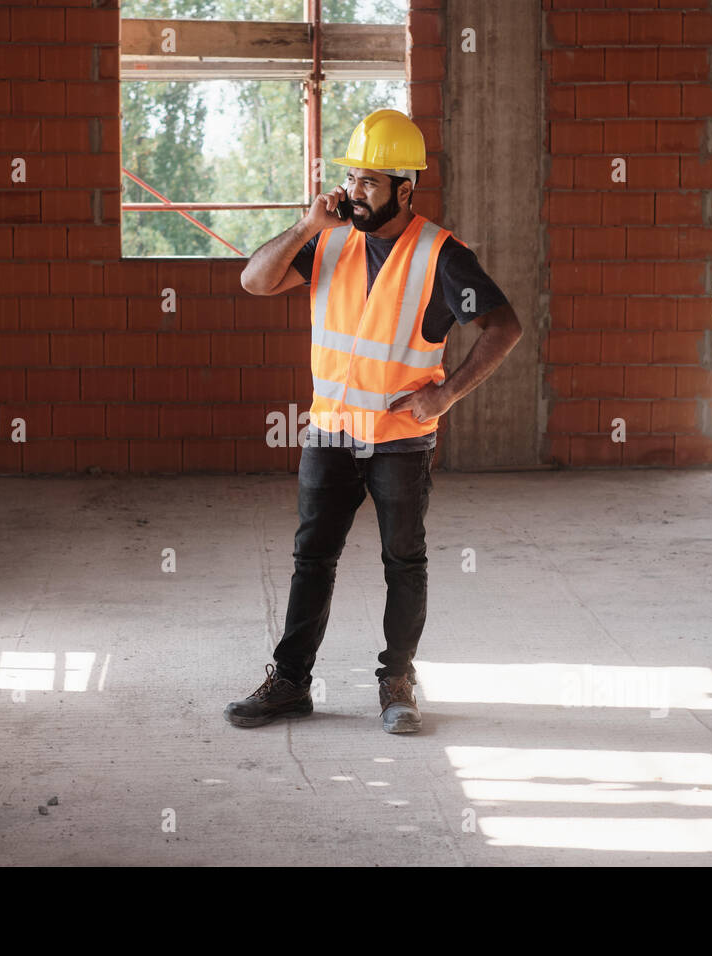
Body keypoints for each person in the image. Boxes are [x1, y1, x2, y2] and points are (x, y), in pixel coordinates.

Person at [227, 109, 523, 733]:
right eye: (352, 178)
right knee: (313, 558)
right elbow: (254, 280)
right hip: (330, 432)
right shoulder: (329, 240)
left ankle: (397, 684)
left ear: (404, 189)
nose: (355, 192)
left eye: (369, 181)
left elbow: (504, 327)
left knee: (402, 561)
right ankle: (290, 684)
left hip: (399, 442)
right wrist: (307, 223)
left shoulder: (442, 256)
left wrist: (446, 398)